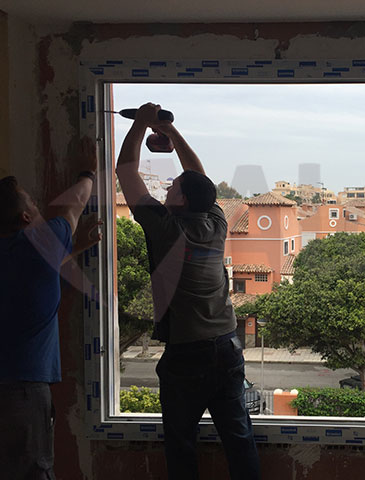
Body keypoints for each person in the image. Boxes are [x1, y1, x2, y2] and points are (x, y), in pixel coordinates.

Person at [116, 103, 260, 480]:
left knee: (181, 444)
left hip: (188, 354)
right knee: (239, 437)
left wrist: (143, 123)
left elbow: (126, 172)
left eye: (172, 188)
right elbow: (199, 178)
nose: (166, 189)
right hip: (227, 346)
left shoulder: (167, 230)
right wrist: (170, 132)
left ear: (180, 201)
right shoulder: (215, 222)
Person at [0, 139, 102, 479]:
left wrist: (73, 247)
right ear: (26, 216)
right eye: (33, 202)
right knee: (34, 472)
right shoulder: (39, 243)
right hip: (23, 392)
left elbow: (27, 277)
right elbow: (72, 208)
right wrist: (88, 172)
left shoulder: (25, 254)